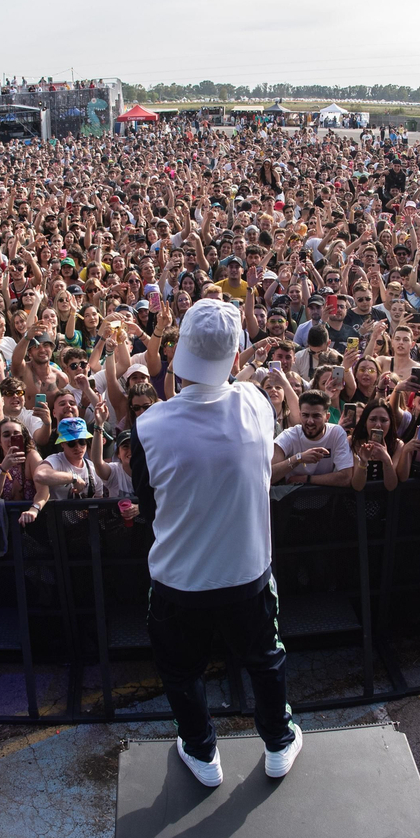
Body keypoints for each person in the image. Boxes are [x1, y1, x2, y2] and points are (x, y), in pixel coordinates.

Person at [130, 299, 301, 786]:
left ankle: (203, 753)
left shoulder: (148, 427)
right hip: (246, 576)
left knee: (181, 672)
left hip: (178, 582)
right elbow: (239, 393)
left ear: (181, 351)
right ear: (232, 358)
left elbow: (148, 506)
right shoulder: (258, 405)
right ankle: (277, 742)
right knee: (265, 661)